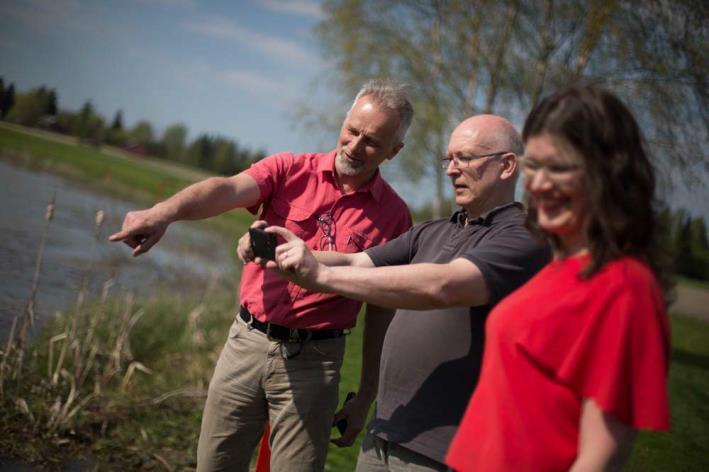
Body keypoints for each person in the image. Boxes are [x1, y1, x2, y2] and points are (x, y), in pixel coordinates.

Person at [109, 79, 415, 472]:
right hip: (247, 343)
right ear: (344, 122)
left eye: (371, 141)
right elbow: (227, 188)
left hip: (316, 362)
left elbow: (382, 310)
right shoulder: (289, 169)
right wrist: (163, 213)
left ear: (394, 151)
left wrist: (366, 395)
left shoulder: (395, 217)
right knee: (214, 465)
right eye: (352, 131)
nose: (355, 146)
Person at [240, 114, 551, 470]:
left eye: (464, 158)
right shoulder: (431, 232)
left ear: (506, 165)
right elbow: (355, 262)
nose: (451, 170)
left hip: (446, 449)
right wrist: (285, 251)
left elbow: (443, 285)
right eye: (448, 159)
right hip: (386, 431)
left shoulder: (524, 237)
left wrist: (320, 276)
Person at [446, 86, 672, 471]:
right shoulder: (557, 267)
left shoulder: (624, 287)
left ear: (609, 174)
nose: (538, 185)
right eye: (535, 167)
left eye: (560, 168)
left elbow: (600, 456)